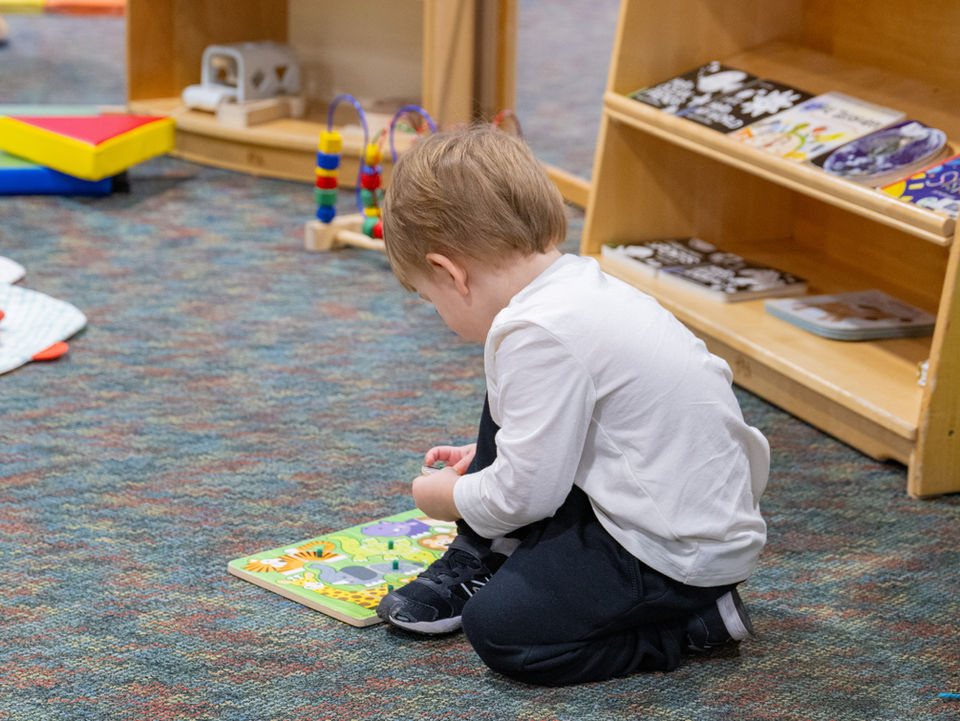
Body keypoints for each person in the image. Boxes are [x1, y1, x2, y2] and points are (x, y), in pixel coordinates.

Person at [376, 125, 769, 686]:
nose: (436, 309)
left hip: (674, 550)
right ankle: (490, 552)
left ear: (449, 273)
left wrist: (447, 497)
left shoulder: (537, 333)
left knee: (503, 630)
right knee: (507, 382)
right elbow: (584, 424)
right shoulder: (572, 288)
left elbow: (521, 494)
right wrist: (493, 453)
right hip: (675, 501)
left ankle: (692, 624)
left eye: (428, 296)